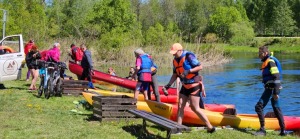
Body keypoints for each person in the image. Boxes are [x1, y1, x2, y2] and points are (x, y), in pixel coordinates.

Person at [163, 43, 215, 133]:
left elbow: (200, 66)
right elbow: (175, 74)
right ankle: (178, 128)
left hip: (194, 85)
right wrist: (168, 85)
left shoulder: (188, 55)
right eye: (173, 53)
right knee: (180, 106)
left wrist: (188, 71)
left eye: (175, 52)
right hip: (184, 86)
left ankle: (210, 127)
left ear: (180, 50)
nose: (173, 54)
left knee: (194, 107)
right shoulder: (175, 61)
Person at [254, 45, 286, 136]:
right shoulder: (268, 61)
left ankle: (262, 129)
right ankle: (283, 131)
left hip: (272, 89)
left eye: (260, 53)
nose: (259, 55)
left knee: (258, 107)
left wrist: (276, 92)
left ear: (265, 53)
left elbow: (276, 76)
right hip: (271, 88)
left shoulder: (270, 62)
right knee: (276, 109)